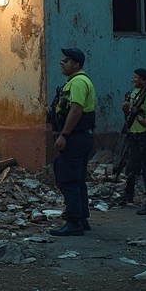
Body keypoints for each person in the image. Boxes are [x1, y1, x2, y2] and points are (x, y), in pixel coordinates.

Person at [49, 47, 96, 237]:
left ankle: (74, 221)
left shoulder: (77, 83)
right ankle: (82, 218)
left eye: (66, 60)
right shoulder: (77, 81)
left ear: (76, 65)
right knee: (78, 180)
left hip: (75, 138)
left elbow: (76, 110)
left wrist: (64, 136)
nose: (61, 63)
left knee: (67, 179)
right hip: (82, 136)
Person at [120, 68, 146, 215]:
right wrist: (127, 110)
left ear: (144, 80)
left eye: (136, 78)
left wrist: (139, 118)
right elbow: (129, 115)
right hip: (135, 136)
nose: (133, 79)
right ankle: (128, 196)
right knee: (131, 168)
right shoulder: (134, 94)